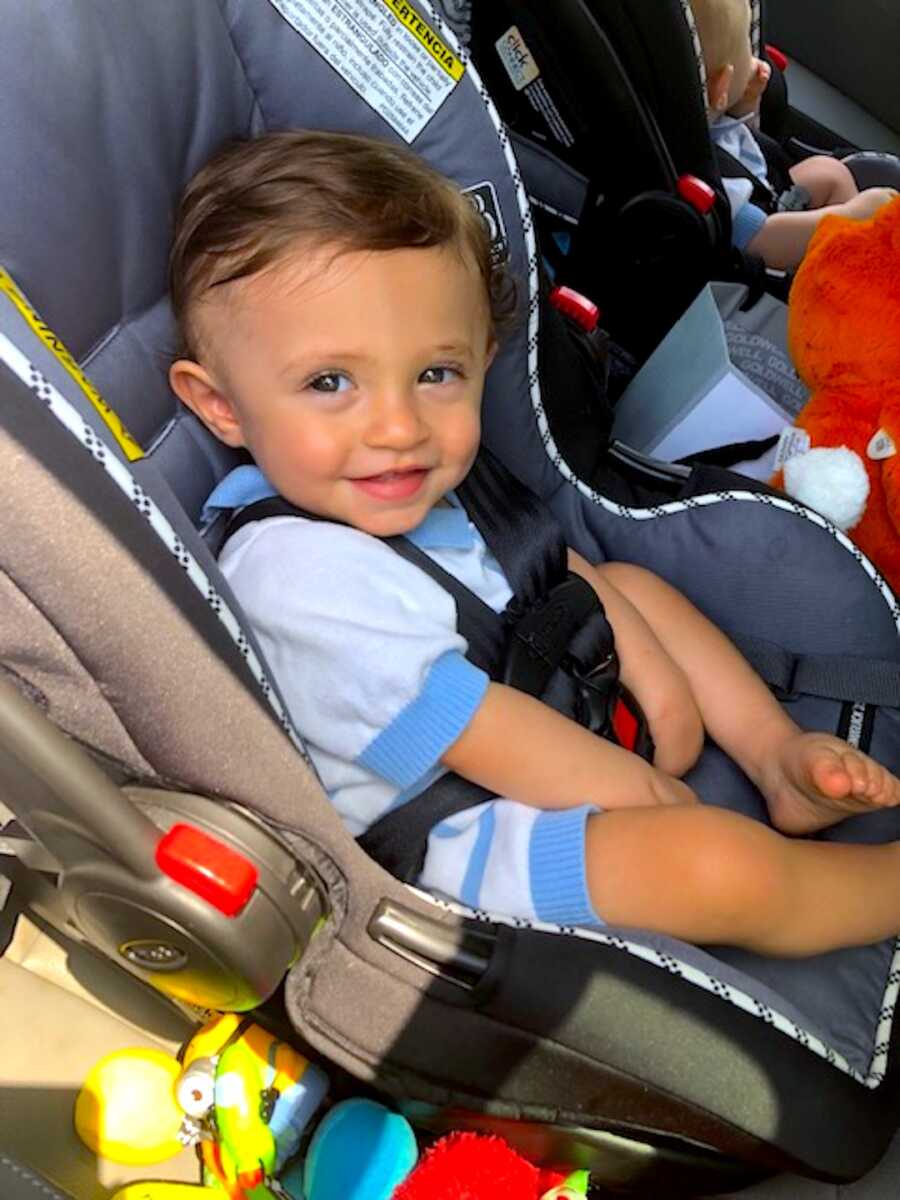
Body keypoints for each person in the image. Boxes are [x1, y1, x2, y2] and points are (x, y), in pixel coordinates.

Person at [169, 129, 900, 957]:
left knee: (627, 575)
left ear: (482, 358)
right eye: (329, 382)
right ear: (220, 404)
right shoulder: (288, 575)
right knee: (719, 871)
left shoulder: (397, 483)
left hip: (558, 701)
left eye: (436, 373)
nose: (400, 426)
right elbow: (482, 735)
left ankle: (775, 756)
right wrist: (656, 796)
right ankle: (876, 890)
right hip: (470, 828)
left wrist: (644, 668)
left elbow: (545, 568)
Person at [688, 0, 897, 270]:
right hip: (765, 243)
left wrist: (746, 104)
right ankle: (854, 264)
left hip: (764, 196)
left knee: (827, 171)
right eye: (744, 48)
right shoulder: (716, 184)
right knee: (858, 206)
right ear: (722, 88)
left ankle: (860, 247)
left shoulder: (709, 119)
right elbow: (758, 242)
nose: (754, 58)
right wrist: (850, 216)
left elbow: (744, 149)